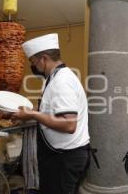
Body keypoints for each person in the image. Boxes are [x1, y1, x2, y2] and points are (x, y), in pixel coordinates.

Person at [13, 33, 90, 194]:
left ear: (44, 58)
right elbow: (49, 110)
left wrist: (32, 115)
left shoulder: (62, 81)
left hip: (65, 159)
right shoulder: (52, 78)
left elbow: (69, 124)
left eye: (33, 62)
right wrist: (23, 111)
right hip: (58, 156)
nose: (33, 67)